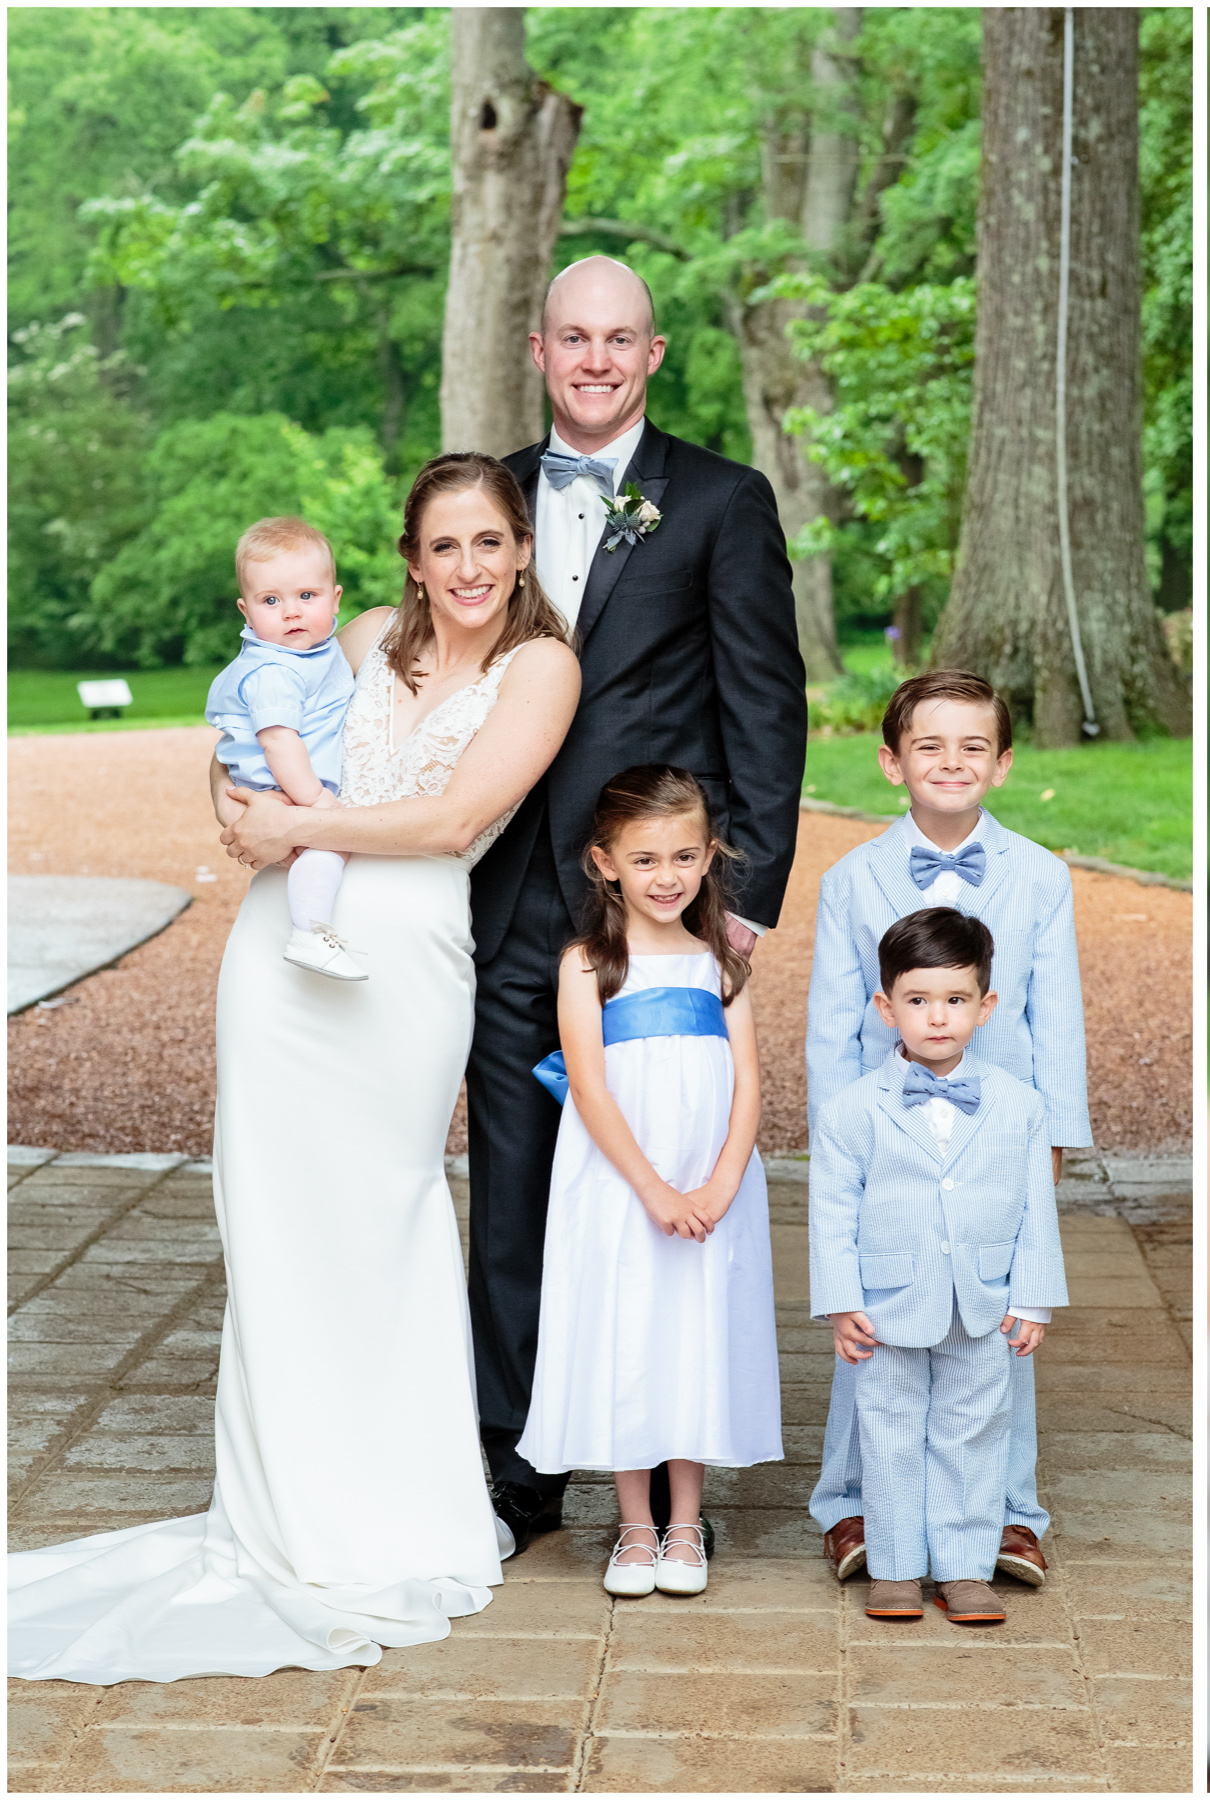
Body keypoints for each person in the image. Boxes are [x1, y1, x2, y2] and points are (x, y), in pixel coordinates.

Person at [8, 453, 580, 1683]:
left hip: (410, 962)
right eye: (444, 547)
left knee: (384, 1212)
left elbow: (445, 822)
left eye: (490, 543)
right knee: (273, 1223)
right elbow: (245, 735)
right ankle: (279, 1510)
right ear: (411, 562)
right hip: (279, 956)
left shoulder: (545, 668)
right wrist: (231, 790)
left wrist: (297, 825)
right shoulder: (363, 632)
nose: (468, 568)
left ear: (519, 549)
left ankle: (395, 1507)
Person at [473, 255, 808, 1558]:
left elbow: (763, 705)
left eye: (621, 340)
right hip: (510, 911)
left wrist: (747, 897)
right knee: (513, 1197)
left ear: (655, 354)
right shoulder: (492, 495)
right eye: (575, 338)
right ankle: (516, 1477)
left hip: (662, 924)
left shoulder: (723, 501)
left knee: (669, 1194)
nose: (598, 359)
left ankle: (673, 1486)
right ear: (541, 349)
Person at [804, 671, 1091, 1590]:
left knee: (998, 1318)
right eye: (930, 744)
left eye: (973, 746)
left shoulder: (1040, 876)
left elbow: (1059, 1014)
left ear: (1003, 764)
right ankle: (853, 1502)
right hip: (883, 1131)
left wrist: (1054, 1137)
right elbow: (831, 1020)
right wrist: (832, 1138)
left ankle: (1010, 1514)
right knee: (877, 1320)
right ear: (893, 762)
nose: (952, 762)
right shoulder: (852, 879)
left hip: (997, 1134)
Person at [516, 765, 781, 1599]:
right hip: (621, 1184)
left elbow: (748, 1084)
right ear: (604, 863)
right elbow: (589, 1088)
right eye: (644, 860)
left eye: (683, 857)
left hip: (710, 1182)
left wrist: (720, 1182)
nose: (665, 877)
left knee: (695, 1329)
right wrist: (655, 1190)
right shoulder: (589, 964)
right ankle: (634, 1526)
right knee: (629, 1327)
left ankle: (686, 1522)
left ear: (709, 858)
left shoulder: (723, 963)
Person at [809, 908, 1069, 1627]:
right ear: (885, 1007)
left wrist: (1034, 1299)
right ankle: (894, 1568)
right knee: (887, 1429)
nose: (936, 1019)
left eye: (955, 1001)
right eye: (918, 1001)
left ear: (986, 1008)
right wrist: (840, 1301)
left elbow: (1033, 1210)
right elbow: (832, 1210)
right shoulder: (851, 1110)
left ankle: (963, 1568)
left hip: (982, 1302)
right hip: (886, 1303)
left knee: (975, 1430)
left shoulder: (1020, 1107)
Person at [202, 516, 362, 980]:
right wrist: (315, 803)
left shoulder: (311, 652)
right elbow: (278, 742)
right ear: (246, 611)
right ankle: (310, 934)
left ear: (335, 600)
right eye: (271, 600)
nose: (291, 612)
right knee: (330, 848)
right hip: (280, 783)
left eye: (306, 597)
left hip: (285, 780)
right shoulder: (275, 671)